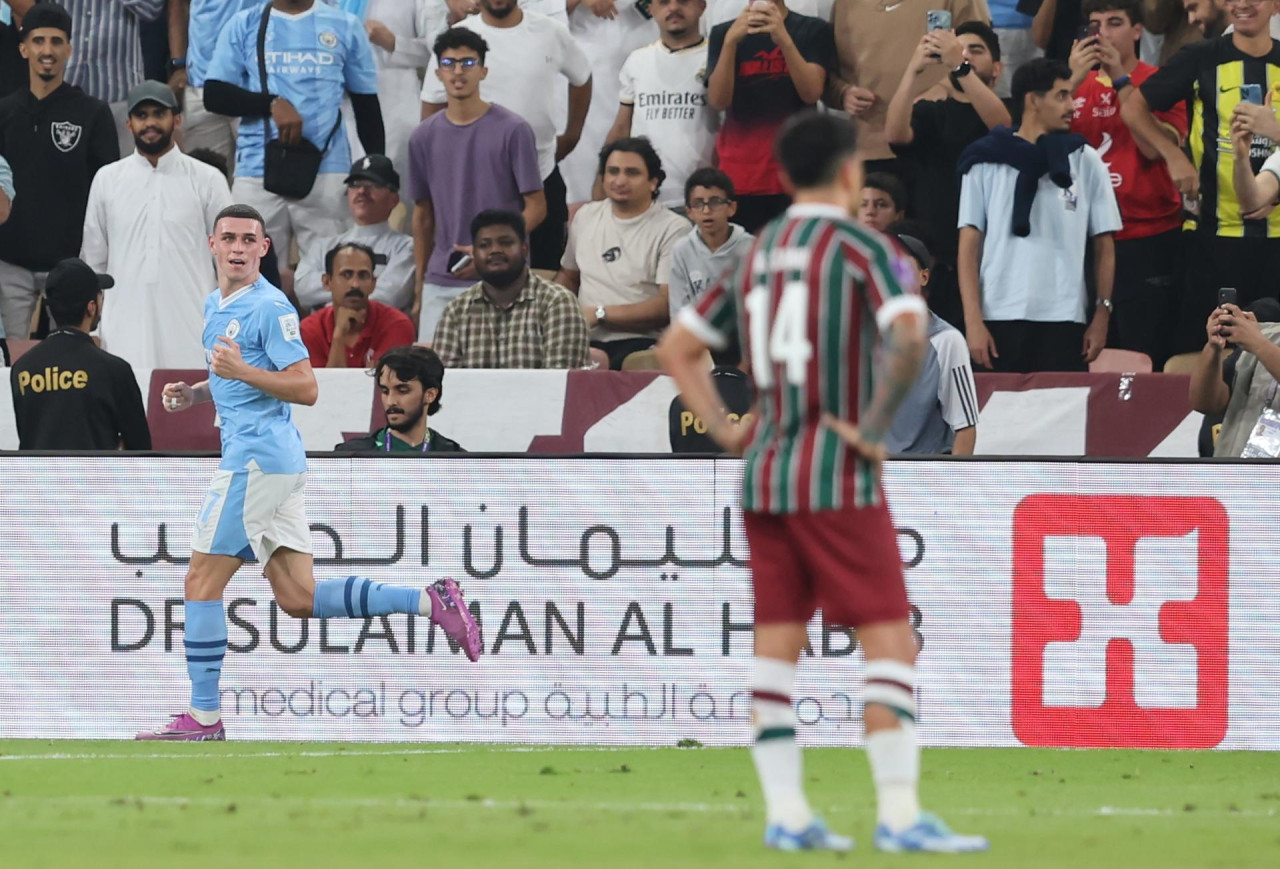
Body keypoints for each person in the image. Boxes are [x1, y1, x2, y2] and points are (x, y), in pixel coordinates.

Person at [657, 110, 988, 854]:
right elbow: (910, 336)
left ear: (779, 177)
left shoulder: (758, 253)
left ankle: (786, 813)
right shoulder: (864, 249)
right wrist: (871, 428)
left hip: (765, 468)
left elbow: (677, 348)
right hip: (836, 472)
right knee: (889, 641)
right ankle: (899, 815)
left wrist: (726, 425)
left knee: (777, 642)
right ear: (848, 174)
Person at [137, 204, 481, 742]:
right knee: (299, 598)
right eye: (228, 237)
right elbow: (237, 377)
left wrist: (239, 371)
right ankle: (428, 600)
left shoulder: (271, 308)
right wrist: (197, 393)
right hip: (274, 464)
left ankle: (203, 717)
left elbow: (306, 387)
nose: (238, 248)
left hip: (254, 462)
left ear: (264, 249)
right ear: (211, 244)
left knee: (200, 582)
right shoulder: (215, 303)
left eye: (249, 240)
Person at [1123, 0, 1280, 350]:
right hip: (1215, 237)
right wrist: (1174, 158)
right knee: (1208, 351)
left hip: (1277, 240)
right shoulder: (1201, 57)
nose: (1242, 4)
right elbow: (1133, 106)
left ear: (1275, 5)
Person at [203, 0, 386, 299]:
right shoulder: (244, 24)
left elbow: (366, 104)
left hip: (328, 172)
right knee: (244, 279)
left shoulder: (344, 25)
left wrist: (377, 171)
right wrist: (271, 103)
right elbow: (214, 94)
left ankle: (327, 342)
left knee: (333, 284)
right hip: (257, 172)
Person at [958, 58, 1122, 373]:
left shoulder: (1085, 160)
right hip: (997, 316)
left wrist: (1101, 315)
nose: (1072, 105)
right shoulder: (982, 161)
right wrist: (972, 320)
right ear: (1033, 100)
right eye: (1061, 95)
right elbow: (968, 247)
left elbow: (1104, 244)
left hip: (1066, 317)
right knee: (998, 422)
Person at [420, 0, 591, 271]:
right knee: (475, 276)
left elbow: (582, 77)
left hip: (541, 174)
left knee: (542, 277)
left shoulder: (551, 31)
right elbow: (432, 105)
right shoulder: (457, 39)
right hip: (474, 184)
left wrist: (572, 135)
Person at [1068, 0, 1188, 371]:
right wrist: (1069, 80)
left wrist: (1121, 79)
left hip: (1148, 236)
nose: (1102, 32)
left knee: (1148, 354)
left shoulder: (1162, 81)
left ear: (1138, 31)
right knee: (1084, 360)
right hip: (1083, 239)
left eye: (1115, 22)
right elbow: (1031, 142)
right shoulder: (1070, 88)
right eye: (1095, 24)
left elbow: (1153, 148)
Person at [81, 80, 233, 371]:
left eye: (158, 114)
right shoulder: (107, 179)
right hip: (123, 325)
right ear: (128, 123)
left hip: (193, 324)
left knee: (190, 410)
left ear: (176, 120)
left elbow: (228, 262)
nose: (150, 122)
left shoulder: (207, 179)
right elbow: (94, 262)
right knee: (128, 406)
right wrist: (96, 329)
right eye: (141, 115)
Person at [408, 27, 545, 343]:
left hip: (504, 276)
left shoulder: (514, 129)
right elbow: (423, 214)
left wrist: (491, 248)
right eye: (449, 63)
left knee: (505, 374)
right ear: (438, 71)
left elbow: (537, 206)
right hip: (442, 278)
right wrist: (419, 284)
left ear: (484, 70)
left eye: (468, 63)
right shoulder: (423, 137)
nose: (458, 72)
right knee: (433, 373)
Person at [0, 2, 118, 341]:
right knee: (10, 368)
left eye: (55, 41)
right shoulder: (4, 113)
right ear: (23, 48)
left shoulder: (92, 113)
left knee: (70, 365)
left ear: (69, 48)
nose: (47, 50)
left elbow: (108, 193)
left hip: (69, 267)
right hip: (11, 264)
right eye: (38, 41)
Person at [887, 22, 1010, 329]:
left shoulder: (1007, 108)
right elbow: (895, 134)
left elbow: (1002, 128)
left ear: (997, 68)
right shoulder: (932, 112)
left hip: (994, 255)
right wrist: (913, 71)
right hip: (938, 255)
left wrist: (960, 64)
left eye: (975, 51)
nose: (965, 54)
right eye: (960, 49)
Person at [555, 137, 689, 369]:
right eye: (613, 171)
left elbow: (666, 305)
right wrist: (553, 310)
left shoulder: (674, 229)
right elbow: (569, 276)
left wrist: (600, 314)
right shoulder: (586, 216)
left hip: (642, 343)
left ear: (653, 182)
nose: (620, 180)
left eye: (632, 173)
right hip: (580, 339)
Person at [706, 0, 834, 232]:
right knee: (746, 262)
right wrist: (730, 44)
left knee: (796, 259)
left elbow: (812, 92)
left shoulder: (812, 29)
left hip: (796, 172)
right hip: (740, 174)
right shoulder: (724, 33)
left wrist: (784, 40)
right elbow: (718, 101)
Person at [825, 0, 989, 176]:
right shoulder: (844, 4)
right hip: (869, 146)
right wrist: (842, 93)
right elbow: (827, 72)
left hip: (939, 146)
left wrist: (944, 87)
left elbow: (984, 57)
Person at [9, 256, 150, 450]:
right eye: (100, 295)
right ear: (91, 307)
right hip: (94, 478)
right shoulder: (115, 370)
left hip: (38, 479)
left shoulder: (22, 369)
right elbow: (140, 449)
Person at [433, 209, 590, 369]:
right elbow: (447, 384)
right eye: (484, 245)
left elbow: (560, 383)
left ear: (524, 249)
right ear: (473, 253)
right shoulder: (456, 310)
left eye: (506, 243)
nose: (495, 250)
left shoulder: (558, 303)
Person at [603, 0, 718, 209]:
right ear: (651, 9)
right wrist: (600, 181)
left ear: (702, 5)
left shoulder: (718, 57)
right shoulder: (637, 60)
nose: (673, 8)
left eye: (683, 1)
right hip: (645, 199)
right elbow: (622, 127)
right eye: (663, 2)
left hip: (703, 200)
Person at [883, 232, 979, 455]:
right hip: (872, 477)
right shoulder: (861, 335)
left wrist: (951, 488)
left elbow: (965, 428)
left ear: (924, 277)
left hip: (925, 479)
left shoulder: (946, 340)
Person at [294, 155, 416, 313]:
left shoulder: (406, 247)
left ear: (394, 199)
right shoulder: (323, 246)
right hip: (326, 333)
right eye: (355, 184)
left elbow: (391, 295)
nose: (362, 191)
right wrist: (359, 291)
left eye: (373, 184)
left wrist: (335, 303)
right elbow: (303, 288)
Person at [54, 0, 164, 157]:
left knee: (125, 176)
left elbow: (151, 8)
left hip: (119, 93)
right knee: (68, 174)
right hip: (65, 89)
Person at [167, 0, 262, 164]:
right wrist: (179, 65)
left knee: (258, 180)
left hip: (255, 85)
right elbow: (178, 5)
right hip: (200, 83)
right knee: (202, 181)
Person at [300, 241, 416, 369]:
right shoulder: (308, 330)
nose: (355, 284)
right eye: (346, 275)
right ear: (327, 282)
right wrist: (339, 337)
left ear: (373, 283)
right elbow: (327, 387)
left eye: (363, 275)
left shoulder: (396, 325)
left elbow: (387, 386)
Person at [1189, 297, 1280, 456]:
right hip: (1233, 474)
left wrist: (1258, 343)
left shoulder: (1259, 340)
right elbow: (1206, 403)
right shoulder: (1265, 334)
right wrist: (1214, 347)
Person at [334, 345, 466, 452]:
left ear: (430, 395)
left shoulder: (455, 459)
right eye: (385, 391)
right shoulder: (351, 455)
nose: (391, 401)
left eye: (402, 391)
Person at [668, 167, 753, 323]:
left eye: (715, 202)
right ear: (689, 212)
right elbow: (678, 313)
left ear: (731, 208)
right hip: (697, 339)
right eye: (698, 204)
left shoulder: (752, 247)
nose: (706, 210)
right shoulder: (681, 250)